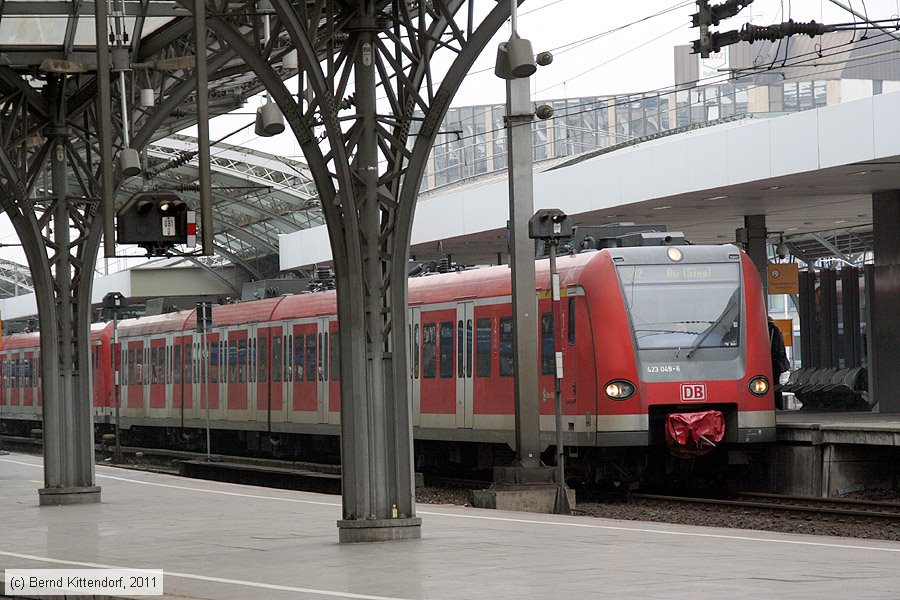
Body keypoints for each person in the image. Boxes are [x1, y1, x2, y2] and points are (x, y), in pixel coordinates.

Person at [768, 316, 790, 409]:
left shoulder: (772, 331)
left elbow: (773, 348)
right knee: (775, 384)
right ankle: (778, 405)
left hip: (773, 363)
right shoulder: (776, 331)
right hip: (777, 363)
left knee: (774, 385)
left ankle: (777, 405)